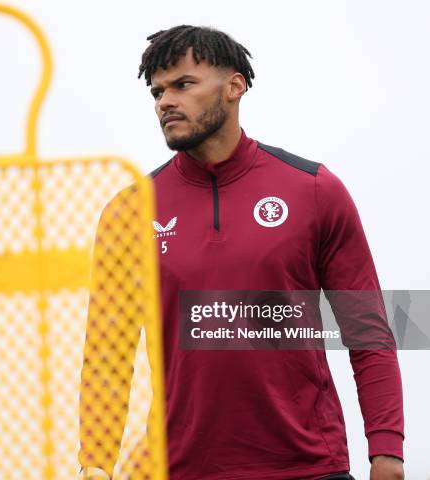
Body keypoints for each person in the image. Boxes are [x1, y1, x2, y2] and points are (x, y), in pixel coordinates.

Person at [80, 25, 404, 479]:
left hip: (310, 467)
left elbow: (368, 330)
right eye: (157, 92)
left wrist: (386, 449)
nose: (164, 102)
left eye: (183, 85)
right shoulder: (129, 212)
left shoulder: (314, 190)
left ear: (235, 86)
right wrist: (95, 462)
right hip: (181, 470)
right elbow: (106, 356)